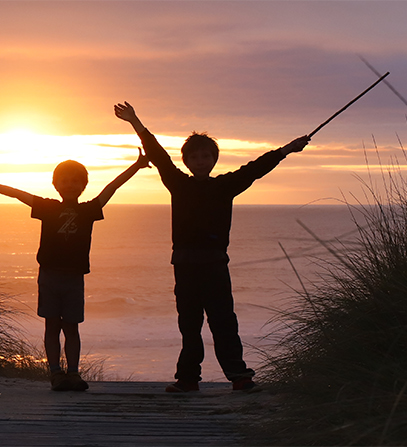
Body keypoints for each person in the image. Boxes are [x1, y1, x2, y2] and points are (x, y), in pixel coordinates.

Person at [113, 101, 309, 392]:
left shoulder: (224, 185)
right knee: (189, 323)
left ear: (214, 159)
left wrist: (284, 151)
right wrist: (135, 122)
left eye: (207, 156)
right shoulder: (178, 183)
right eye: (195, 157)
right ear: (187, 161)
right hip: (184, 264)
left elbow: (254, 169)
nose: (202, 161)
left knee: (223, 321)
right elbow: (159, 155)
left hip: (215, 263)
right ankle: (188, 378)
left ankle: (239, 376)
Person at [0, 150, 148, 391]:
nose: (70, 185)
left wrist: (136, 166)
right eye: (65, 180)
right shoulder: (47, 207)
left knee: (72, 327)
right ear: (55, 184)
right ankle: (55, 373)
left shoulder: (88, 210)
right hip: (49, 276)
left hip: (74, 278)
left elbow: (111, 188)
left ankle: (73, 373)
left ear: (83, 185)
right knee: (52, 326)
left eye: (75, 181)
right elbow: (18, 195)